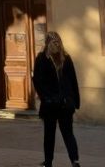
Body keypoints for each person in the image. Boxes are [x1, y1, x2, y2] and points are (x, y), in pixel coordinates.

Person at [32, 31, 81, 167]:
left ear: (46, 43)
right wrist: (75, 101)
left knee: (49, 134)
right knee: (68, 134)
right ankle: (75, 161)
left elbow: (37, 81)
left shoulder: (42, 59)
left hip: (51, 104)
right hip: (66, 103)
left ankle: (48, 162)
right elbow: (73, 82)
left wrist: (45, 97)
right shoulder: (66, 57)